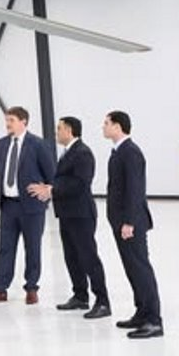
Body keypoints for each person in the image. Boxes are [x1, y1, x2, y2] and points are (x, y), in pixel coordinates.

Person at [27, 117, 111, 319]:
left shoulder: (82, 153)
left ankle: (102, 301)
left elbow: (80, 184)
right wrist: (51, 188)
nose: (56, 132)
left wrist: (52, 190)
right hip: (67, 213)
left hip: (81, 214)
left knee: (88, 257)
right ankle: (80, 296)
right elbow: (65, 180)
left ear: (69, 130)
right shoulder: (68, 153)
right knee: (72, 256)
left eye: (59, 128)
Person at [0, 106, 55, 305]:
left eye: (11, 120)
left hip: (32, 207)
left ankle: (31, 288)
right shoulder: (1, 144)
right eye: (6, 120)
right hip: (8, 206)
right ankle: (0, 289)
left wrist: (46, 193)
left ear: (23, 121)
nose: (7, 124)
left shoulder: (38, 145)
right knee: (5, 248)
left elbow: (52, 175)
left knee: (32, 248)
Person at [102, 111, 163, 339]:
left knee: (140, 268)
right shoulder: (119, 152)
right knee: (132, 269)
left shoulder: (130, 152)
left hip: (131, 223)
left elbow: (135, 190)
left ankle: (154, 320)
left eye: (106, 123)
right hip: (121, 222)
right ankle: (142, 312)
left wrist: (129, 221)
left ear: (118, 126)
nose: (103, 127)